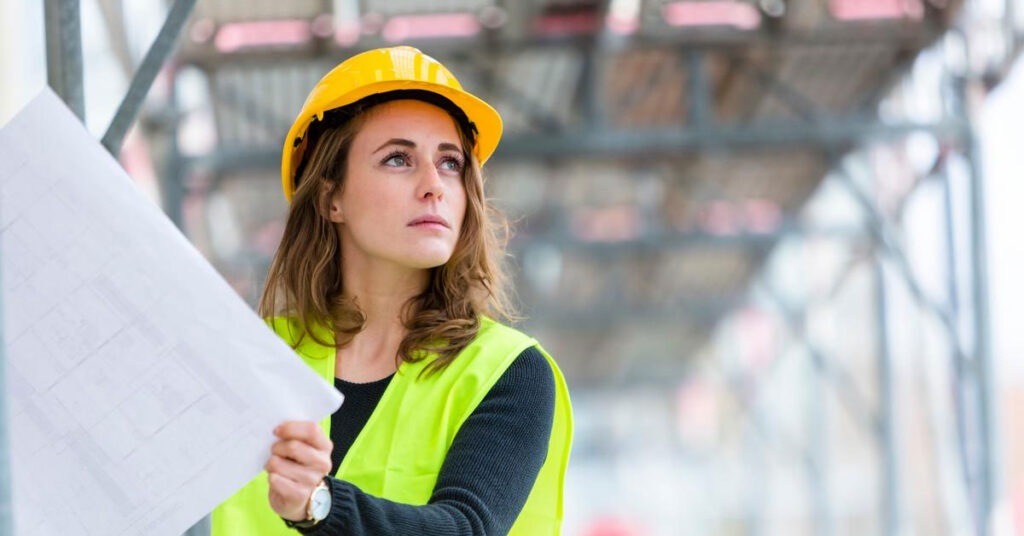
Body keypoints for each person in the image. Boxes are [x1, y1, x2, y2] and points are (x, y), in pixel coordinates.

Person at [210, 46, 573, 536]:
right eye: (398, 159)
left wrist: (321, 505)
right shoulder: (249, 360)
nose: (434, 186)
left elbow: (466, 529)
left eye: (450, 164)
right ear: (331, 196)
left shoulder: (507, 373)